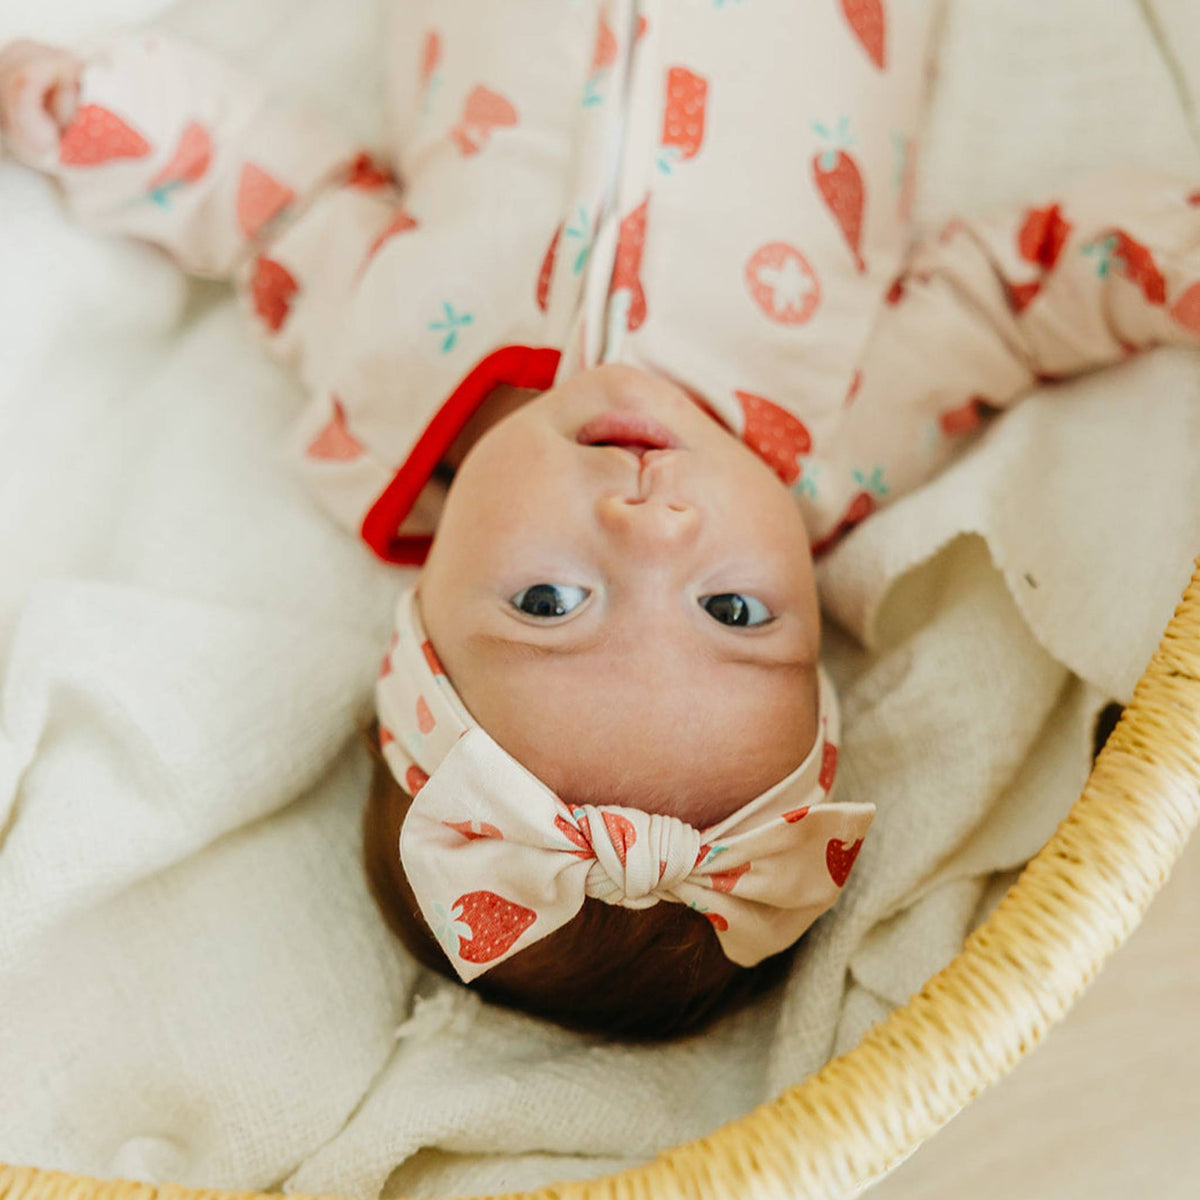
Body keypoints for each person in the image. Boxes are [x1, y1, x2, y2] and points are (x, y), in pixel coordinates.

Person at [2, 1, 1198, 1039]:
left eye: (549, 603)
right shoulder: (840, 438)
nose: (651, 527)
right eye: (734, 610)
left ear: (416, 627)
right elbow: (1019, 291)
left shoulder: (380, 389)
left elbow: (272, 204)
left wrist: (111, 116)